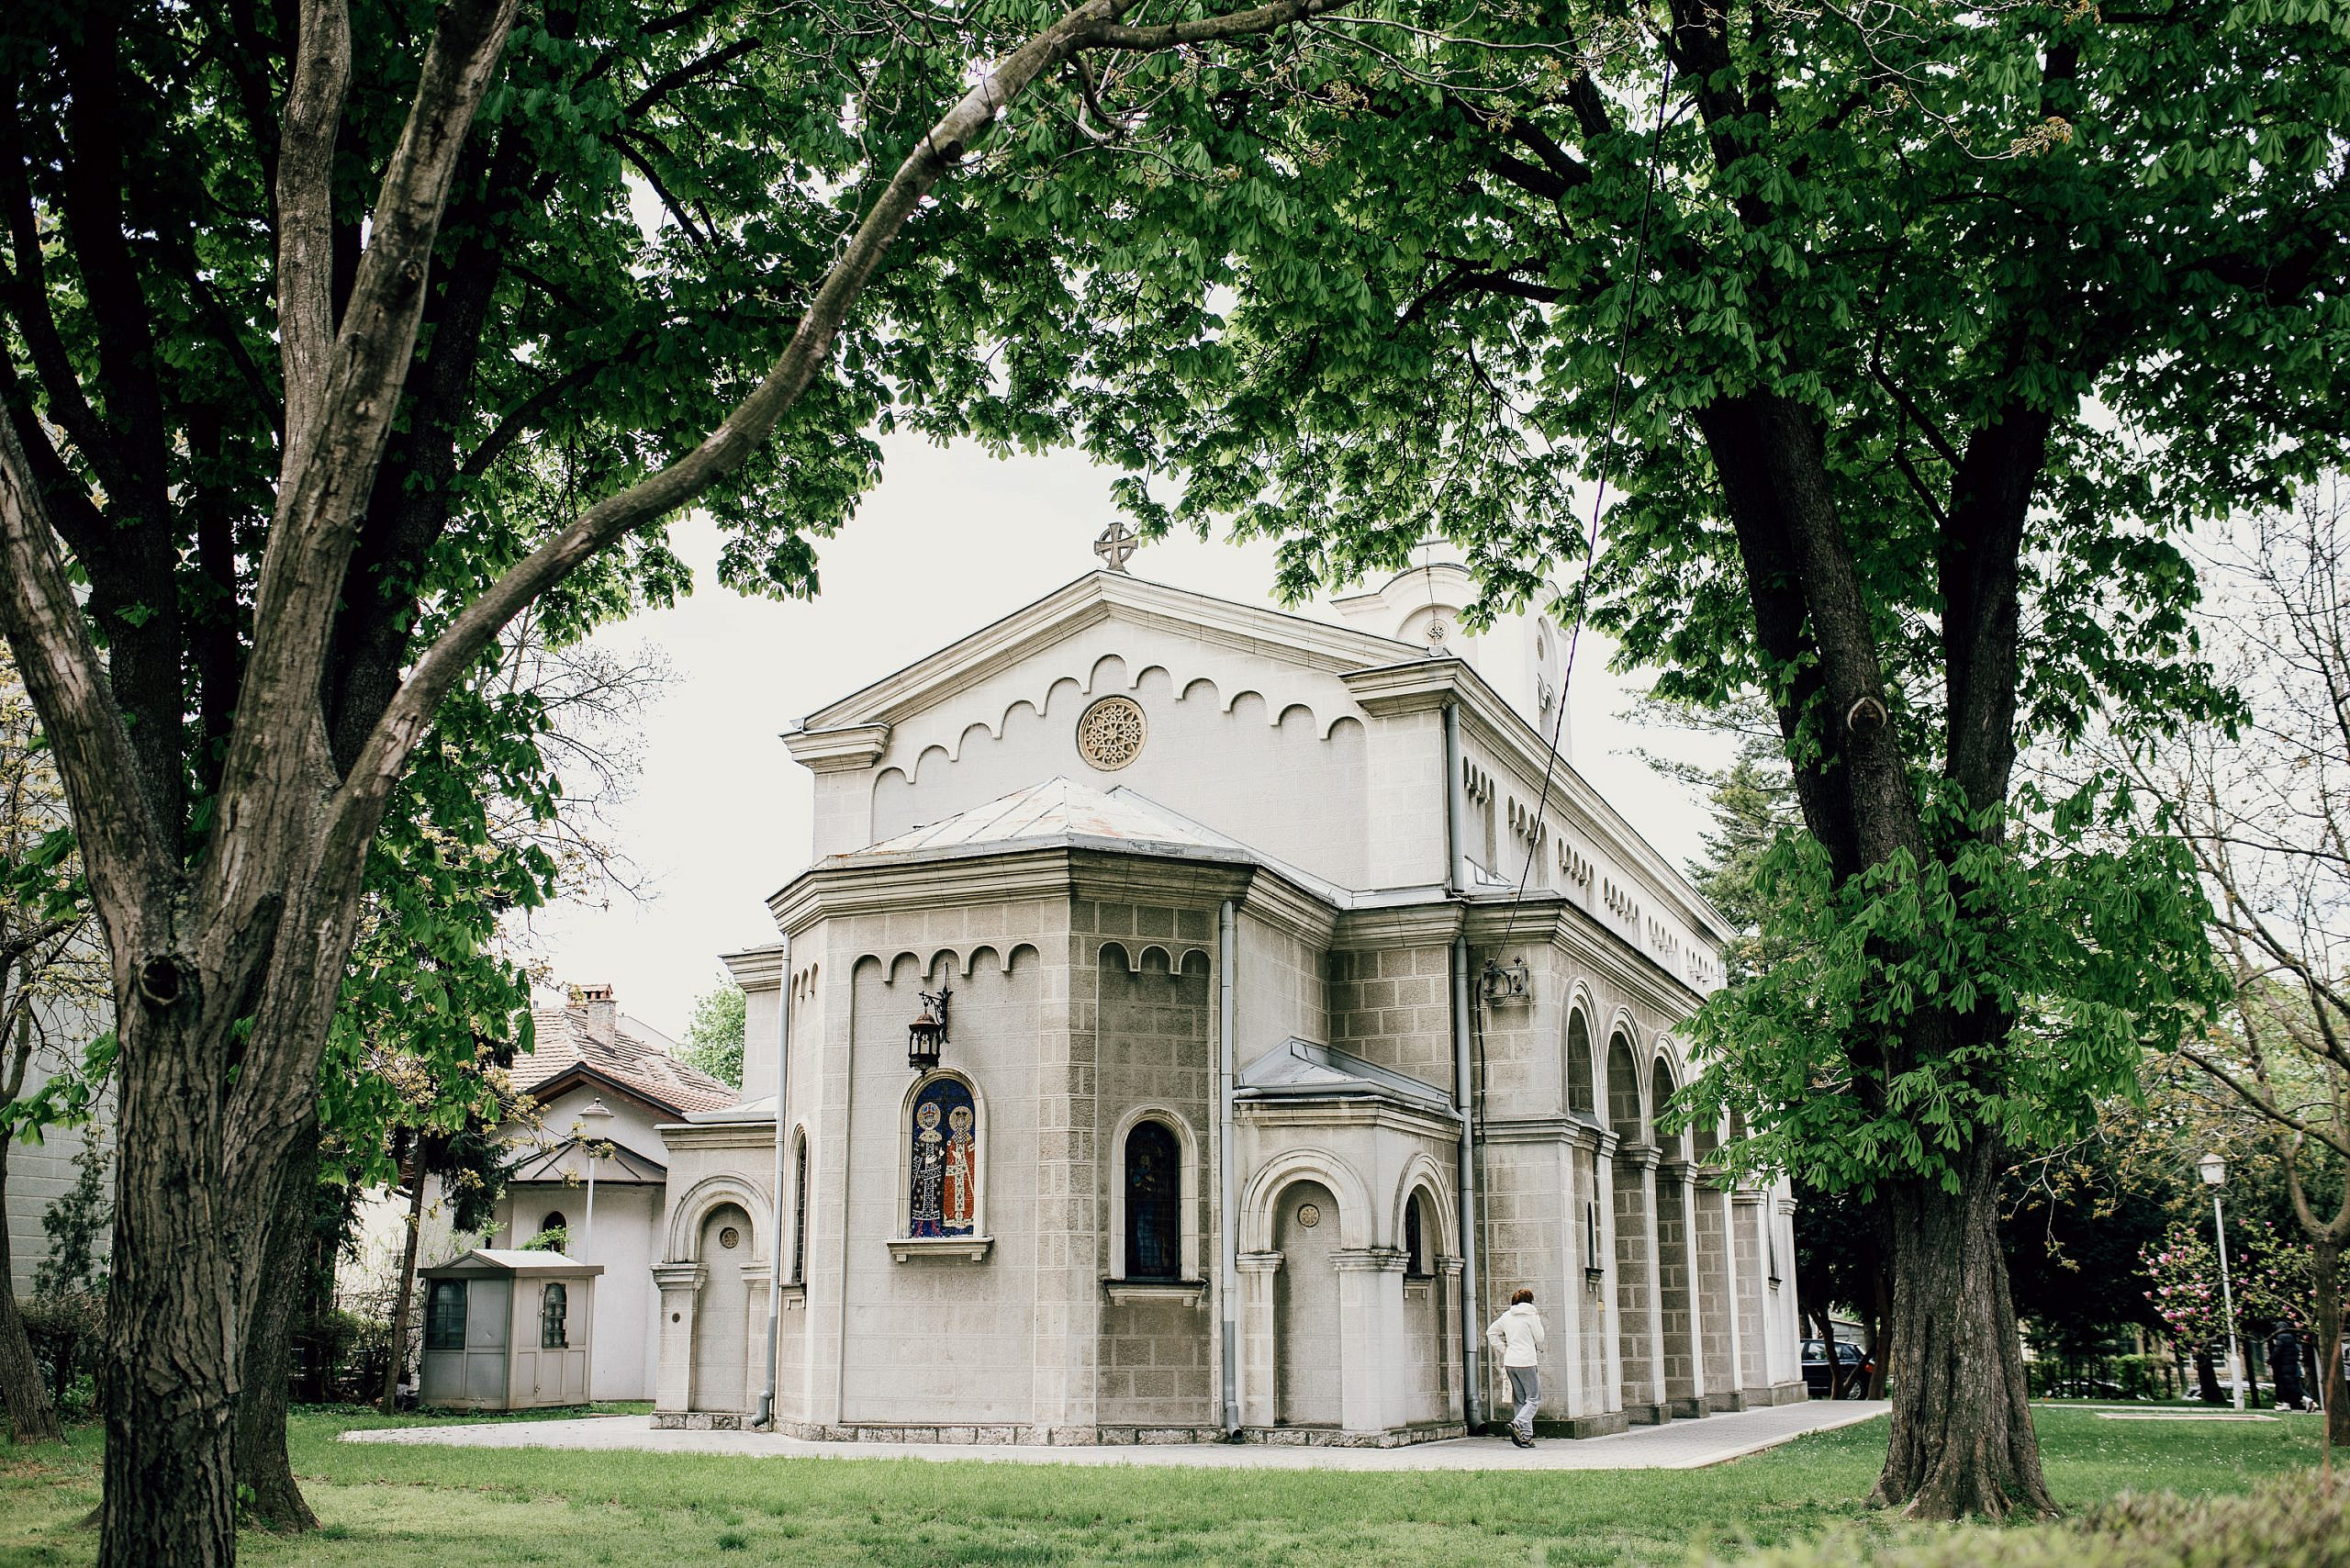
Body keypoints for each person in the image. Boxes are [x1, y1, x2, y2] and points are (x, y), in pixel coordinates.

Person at [1485, 1287, 1547, 1448]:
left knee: (1520, 1400)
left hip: (1510, 1361)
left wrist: (1504, 1348)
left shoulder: (1507, 1316)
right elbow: (1540, 1337)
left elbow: (1491, 1332)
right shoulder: (1531, 1315)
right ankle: (1518, 1423)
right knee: (1534, 1399)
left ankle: (1525, 1437)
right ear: (1530, 1301)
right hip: (1526, 1361)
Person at [2270, 1323, 2308, 1411]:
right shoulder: (2292, 1338)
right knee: (2288, 1385)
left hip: (2285, 1366)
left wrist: (2270, 1360)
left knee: (2290, 1385)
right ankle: (2286, 1404)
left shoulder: (2281, 1338)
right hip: (2293, 1365)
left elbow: (2277, 1351)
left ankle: (2308, 1399)